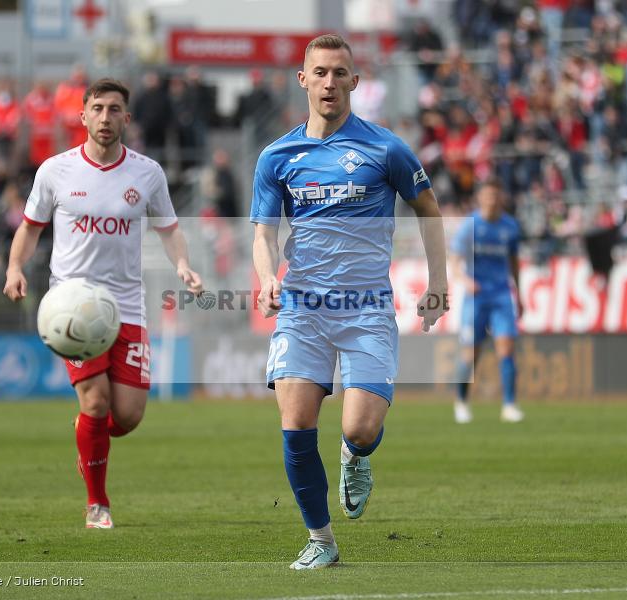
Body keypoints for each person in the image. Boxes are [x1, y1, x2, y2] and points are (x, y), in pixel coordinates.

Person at [251, 34, 448, 570]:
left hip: (366, 310)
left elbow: (429, 210)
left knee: (359, 429)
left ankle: (355, 456)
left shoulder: (386, 149)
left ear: (355, 82)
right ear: (303, 80)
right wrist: (267, 277)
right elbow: (263, 233)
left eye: (340, 73)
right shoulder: (277, 157)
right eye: (320, 73)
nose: (330, 82)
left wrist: (439, 282)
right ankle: (321, 540)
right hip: (302, 309)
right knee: (295, 426)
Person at [3, 79, 202, 529]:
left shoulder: (147, 173)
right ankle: (98, 504)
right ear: (83, 116)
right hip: (72, 306)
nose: (106, 117)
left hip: (126, 308)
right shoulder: (55, 170)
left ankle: (88, 444)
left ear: (127, 119)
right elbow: (30, 227)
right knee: (94, 403)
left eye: (115, 110)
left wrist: (184, 266)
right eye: (98, 108)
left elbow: (169, 229)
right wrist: (15, 268)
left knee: (126, 417)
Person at [451, 178, 524, 424]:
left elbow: (514, 262)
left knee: (507, 349)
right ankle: (461, 402)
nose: (492, 200)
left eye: (496, 196)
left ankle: (509, 405)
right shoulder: (470, 226)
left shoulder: (510, 227)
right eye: (488, 196)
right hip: (476, 296)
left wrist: (519, 293)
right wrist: (464, 280)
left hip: (502, 294)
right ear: (480, 198)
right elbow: (454, 260)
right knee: (470, 354)